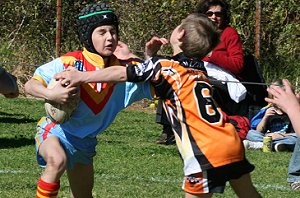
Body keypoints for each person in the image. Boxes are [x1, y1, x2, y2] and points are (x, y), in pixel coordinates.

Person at [55, 13, 261, 197]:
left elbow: (122, 73)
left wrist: (82, 76)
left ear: (179, 33)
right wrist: (147, 58)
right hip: (230, 140)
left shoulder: (164, 66)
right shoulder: (201, 71)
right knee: (248, 193)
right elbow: (160, 76)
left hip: (206, 149)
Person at [24, 3, 152, 197]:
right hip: (57, 131)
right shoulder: (70, 62)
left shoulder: (125, 71)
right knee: (57, 161)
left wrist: (143, 57)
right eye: (101, 32)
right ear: (88, 36)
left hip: (84, 143)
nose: (110, 37)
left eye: (113, 31)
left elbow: (154, 80)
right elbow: (30, 85)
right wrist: (52, 95)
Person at [156, 0, 247, 145]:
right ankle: (168, 129)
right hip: (193, 72)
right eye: (209, 13)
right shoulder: (195, 32)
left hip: (222, 83)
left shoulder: (230, 34)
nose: (213, 17)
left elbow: (238, 65)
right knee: (171, 82)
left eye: (218, 14)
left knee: (203, 87)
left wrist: (211, 55)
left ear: (224, 16)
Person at [243, 79, 297, 152]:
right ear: (272, 97)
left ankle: (261, 145)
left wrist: (280, 136)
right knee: (251, 133)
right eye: (277, 97)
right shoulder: (268, 111)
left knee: (295, 138)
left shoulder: (291, 111)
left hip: (285, 137)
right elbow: (259, 131)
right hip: (268, 137)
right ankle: (276, 146)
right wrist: (265, 117)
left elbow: (296, 132)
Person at [265, 79, 300, 190]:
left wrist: (292, 107)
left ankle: (296, 178)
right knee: (253, 134)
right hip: (272, 136)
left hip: (290, 137)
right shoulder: (269, 110)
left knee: (296, 138)